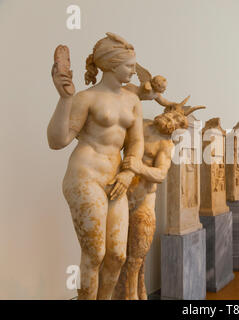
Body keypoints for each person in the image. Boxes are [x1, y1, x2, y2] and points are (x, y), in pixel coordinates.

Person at [47, 33, 144, 300]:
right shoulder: (86, 98)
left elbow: (136, 143)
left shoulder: (132, 101)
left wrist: (127, 172)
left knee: (117, 255)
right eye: (130, 65)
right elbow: (58, 141)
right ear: (112, 65)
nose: (134, 70)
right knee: (95, 254)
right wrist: (65, 99)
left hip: (116, 180)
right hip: (85, 176)